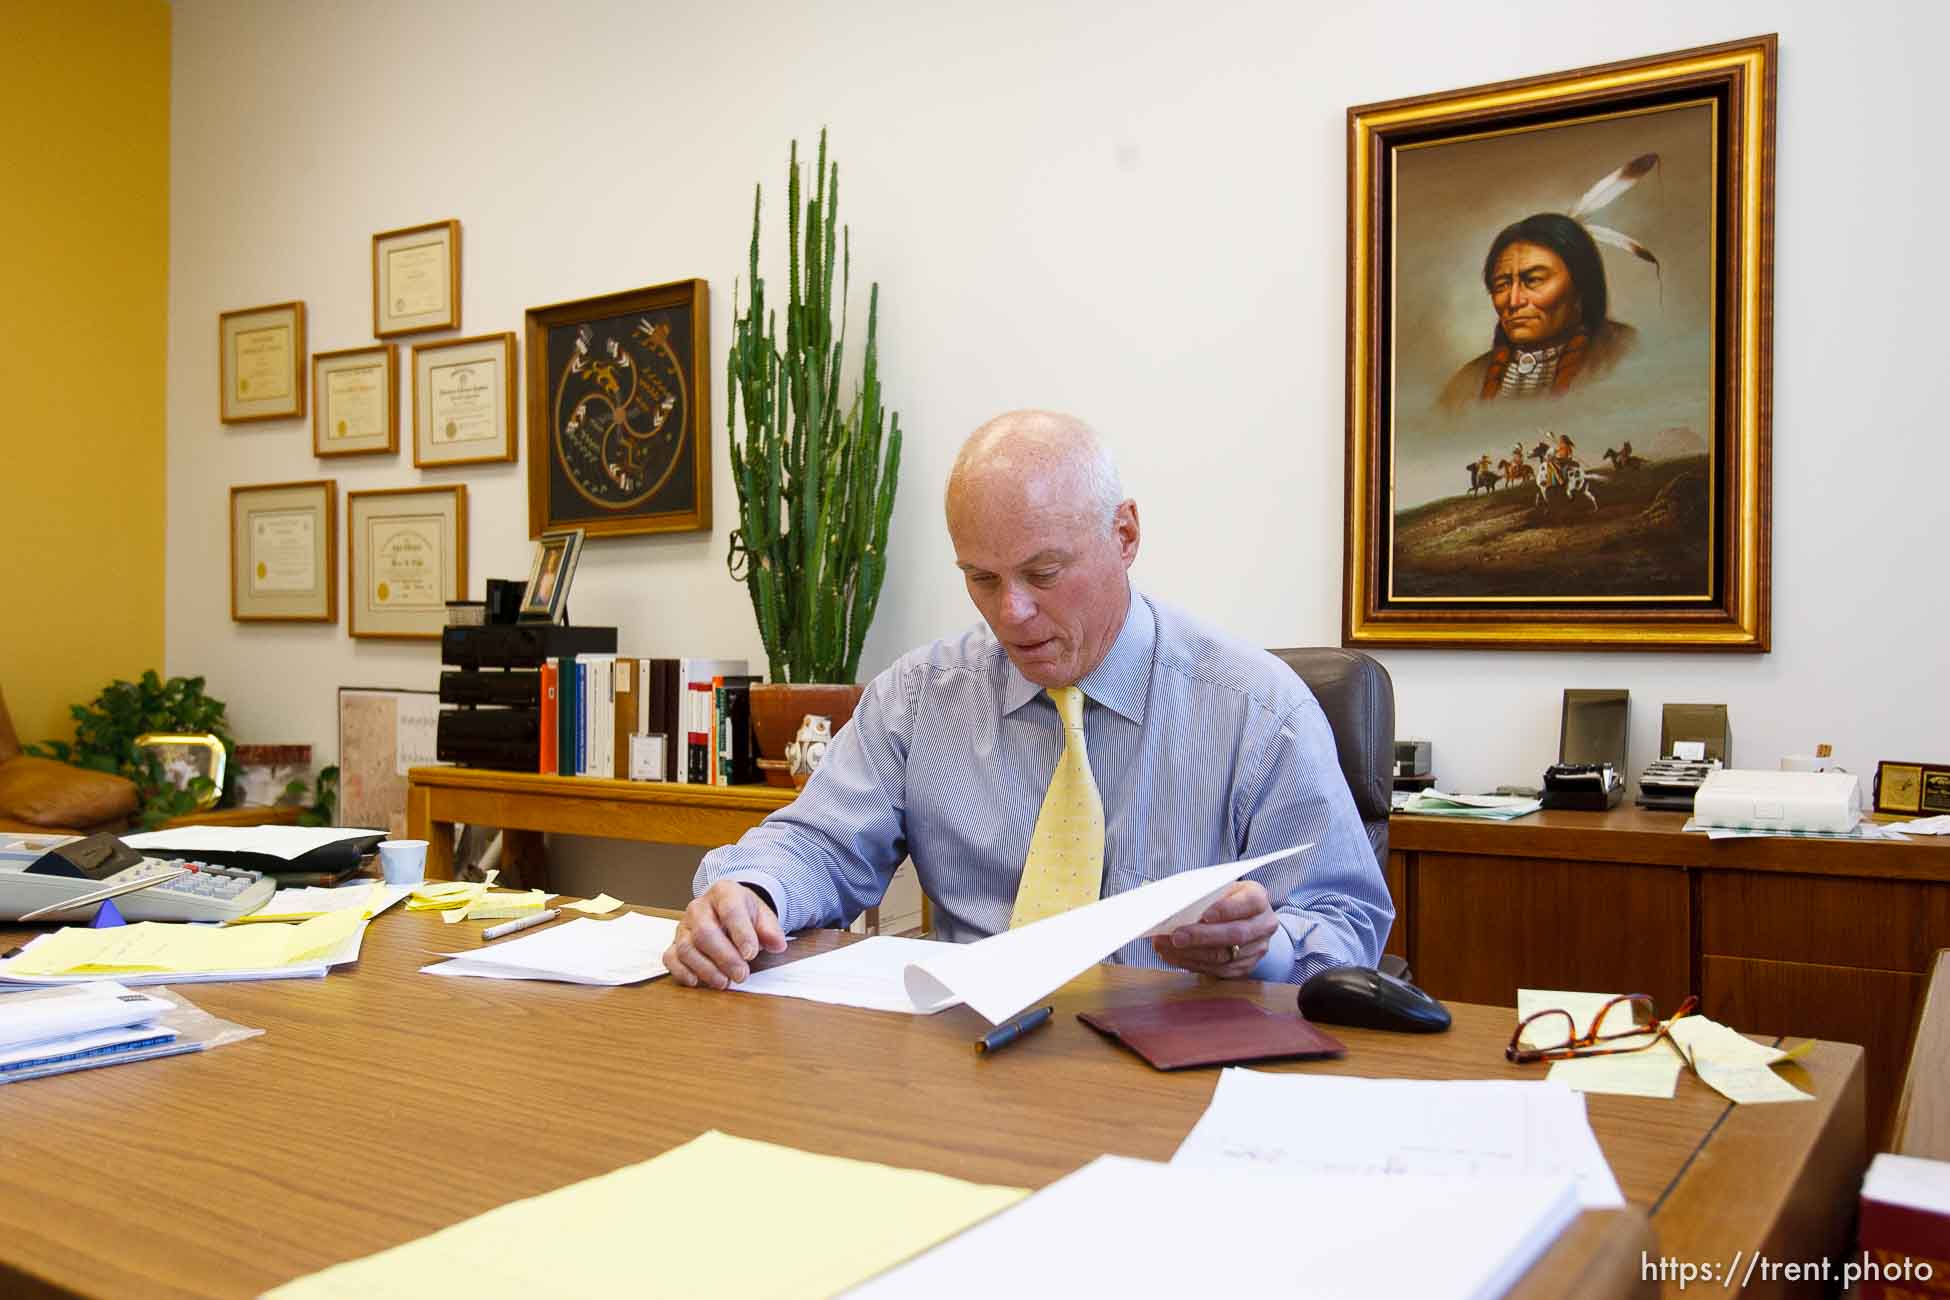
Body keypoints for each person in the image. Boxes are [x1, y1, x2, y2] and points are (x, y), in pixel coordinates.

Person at [663, 411, 1393, 989]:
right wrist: (753, 895)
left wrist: (1260, 953)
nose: (1010, 613)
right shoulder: (921, 698)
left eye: (1044, 572)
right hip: (972, 1061)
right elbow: (818, 844)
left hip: (1179, 1069)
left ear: (1126, 533)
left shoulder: (1257, 710)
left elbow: (1346, 921)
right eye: (981, 578)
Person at [1438, 213, 1638, 411]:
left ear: (1580, 286)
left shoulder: (1627, 356)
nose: (1514, 301)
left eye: (1533, 280)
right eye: (1502, 284)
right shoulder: (1467, 383)